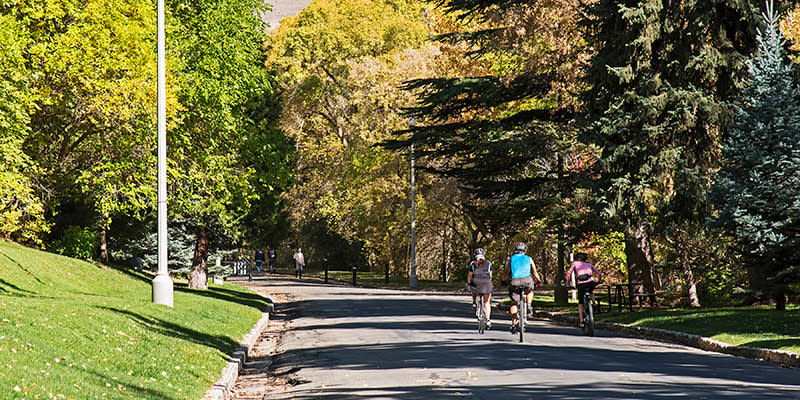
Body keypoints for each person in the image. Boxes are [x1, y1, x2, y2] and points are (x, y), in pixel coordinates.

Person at [502, 242, 541, 334]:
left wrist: (503, 281)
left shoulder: (511, 258)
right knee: (530, 290)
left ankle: (514, 323)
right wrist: (538, 280)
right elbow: (534, 272)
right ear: (525, 251)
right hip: (527, 280)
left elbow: (506, 272)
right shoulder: (529, 258)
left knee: (514, 302)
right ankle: (528, 305)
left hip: (515, 281)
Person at [566, 252, 601, 327]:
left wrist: (568, 284)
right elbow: (599, 273)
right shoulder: (589, 264)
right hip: (590, 282)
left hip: (581, 284)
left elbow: (568, 274)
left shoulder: (575, 263)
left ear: (577, 258)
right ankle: (594, 303)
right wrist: (598, 281)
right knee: (591, 291)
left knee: (580, 302)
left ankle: (581, 321)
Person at [467, 248, 493, 329]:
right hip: (486, 283)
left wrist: (468, 283)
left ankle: (474, 301)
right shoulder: (488, 263)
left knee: (472, 286)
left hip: (476, 282)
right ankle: (488, 319)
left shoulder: (472, 263)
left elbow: (470, 276)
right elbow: (490, 276)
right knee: (486, 302)